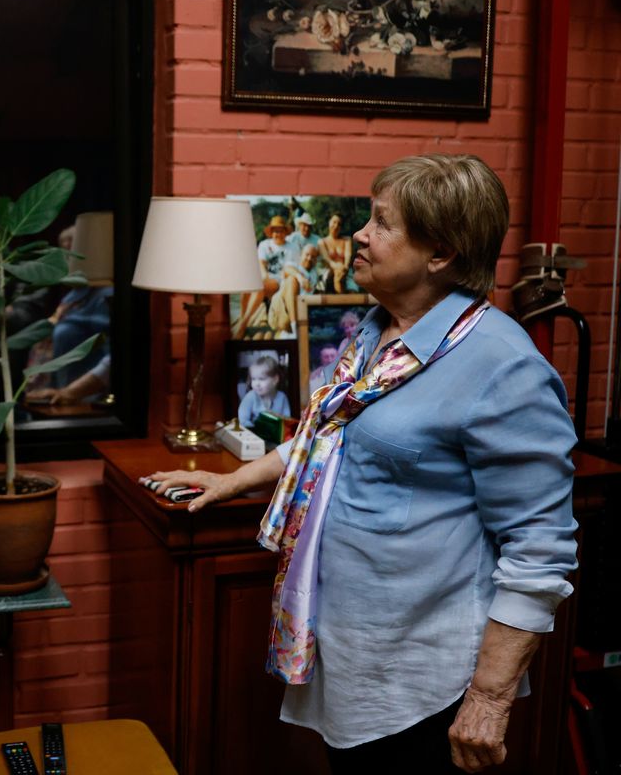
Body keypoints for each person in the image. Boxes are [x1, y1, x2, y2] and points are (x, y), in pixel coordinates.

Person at [144, 154, 577, 774]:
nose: (359, 235)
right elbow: (332, 436)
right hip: (352, 656)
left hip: (424, 683)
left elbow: (540, 552)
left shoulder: (504, 368)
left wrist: (488, 699)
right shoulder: (376, 334)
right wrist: (232, 477)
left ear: (441, 253)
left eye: (381, 223)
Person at [233, 215, 291, 338]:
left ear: (285, 232)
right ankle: (244, 318)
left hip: (281, 280)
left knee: (260, 286)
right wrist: (264, 276)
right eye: (275, 231)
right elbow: (261, 264)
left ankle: (242, 326)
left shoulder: (291, 247)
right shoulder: (265, 244)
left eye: (280, 231)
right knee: (248, 284)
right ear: (271, 232)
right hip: (266, 277)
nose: (278, 234)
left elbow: (291, 268)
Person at [268, 242, 321, 337]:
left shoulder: (314, 274)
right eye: (307, 254)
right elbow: (287, 270)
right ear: (301, 255)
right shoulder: (293, 265)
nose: (309, 258)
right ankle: (295, 329)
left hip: (301, 312)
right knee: (292, 280)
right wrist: (299, 277)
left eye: (313, 257)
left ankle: (295, 329)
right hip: (281, 311)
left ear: (316, 260)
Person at [237, 354, 291, 427]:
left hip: (275, 435)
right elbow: (243, 420)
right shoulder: (250, 397)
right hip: (253, 435)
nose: (257, 384)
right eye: (253, 379)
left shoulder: (282, 397)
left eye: (261, 379)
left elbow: (287, 421)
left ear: (275, 380)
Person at [318, 213, 354, 292]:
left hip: (345, 270)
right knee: (338, 276)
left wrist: (344, 268)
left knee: (352, 289)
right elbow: (327, 259)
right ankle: (341, 299)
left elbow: (348, 256)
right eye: (334, 222)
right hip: (329, 271)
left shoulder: (347, 240)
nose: (336, 226)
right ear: (329, 222)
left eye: (339, 224)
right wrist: (339, 267)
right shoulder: (322, 242)